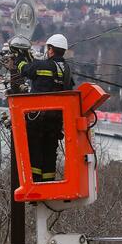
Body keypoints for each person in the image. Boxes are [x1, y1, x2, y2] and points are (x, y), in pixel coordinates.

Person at [17, 34, 74, 182]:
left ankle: (35, 183)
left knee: (35, 151)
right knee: (49, 153)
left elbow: (25, 70)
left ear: (50, 49)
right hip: (56, 122)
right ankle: (48, 182)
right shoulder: (67, 70)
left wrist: (20, 58)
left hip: (37, 119)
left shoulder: (42, 66)